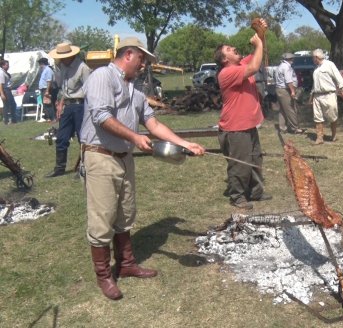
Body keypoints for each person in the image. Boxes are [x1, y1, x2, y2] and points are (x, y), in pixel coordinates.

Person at [80, 37, 205, 300]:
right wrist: (134, 138)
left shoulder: (135, 91)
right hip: (100, 156)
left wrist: (185, 143)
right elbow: (101, 116)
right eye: (142, 59)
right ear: (128, 54)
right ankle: (104, 276)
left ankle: (126, 265)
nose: (143, 65)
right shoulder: (102, 76)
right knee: (102, 218)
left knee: (125, 213)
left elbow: (153, 124)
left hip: (124, 157)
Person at [214, 18, 272, 210]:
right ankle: (237, 196)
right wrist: (258, 42)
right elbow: (255, 66)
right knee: (241, 163)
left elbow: (258, 55)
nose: (233, 48)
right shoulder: (226, 73)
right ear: (224, 59)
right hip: (235, 127)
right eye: (229, 49)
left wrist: (260, 32)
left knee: (256, 159)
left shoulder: (241, 65)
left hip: (249, 124)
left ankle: (256, 192)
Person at [45, 43, 91, 178]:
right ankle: (59, 168)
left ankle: (84, 168)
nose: (61, 59)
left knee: (83, 138)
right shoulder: (62, 68)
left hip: (80, 106)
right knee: (61, 137)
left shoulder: (83, 68)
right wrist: (60, 103)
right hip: (68, 106)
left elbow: (89, 90)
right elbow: (63, 89)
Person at [309, 49, 343, 144]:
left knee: (332, 116)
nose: (312, 59)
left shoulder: (329, 64)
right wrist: (311, 97)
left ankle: (333, 136)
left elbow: (338, 77)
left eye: (313, 57)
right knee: (317, 117)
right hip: (317, 96)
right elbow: (315, 84)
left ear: (316, 57)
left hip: (329, 95)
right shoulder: (316, 69)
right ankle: (319, 138)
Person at [275, 52, 304, 134]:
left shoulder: (281, 66)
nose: (293, 60)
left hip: (280, 89)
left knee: (283, 109)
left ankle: (283, 127)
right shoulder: (286, 67)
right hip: (284, 90)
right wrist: (292, 91)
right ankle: (295, 128)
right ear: (290, 59)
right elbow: (289, 81)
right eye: (292, 59)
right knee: (290, 109)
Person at [37, 57, 55, 122]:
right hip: (43, 89)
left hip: (46, 89)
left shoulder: (48, 70)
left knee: (48, 103)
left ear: (42, 63)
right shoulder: (44, 70)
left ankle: (53, 118)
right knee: (45, 104)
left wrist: (47, 90)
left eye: (40, 64)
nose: (39, 66)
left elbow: (49, 81)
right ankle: (49, 117)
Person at [0, 60, 18, 125]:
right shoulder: (1, 73)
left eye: (8, 65)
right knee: (8, 105)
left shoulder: (5, 72)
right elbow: (1, 84)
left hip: (8, 89)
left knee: (11, 105)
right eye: (6, 65)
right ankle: (8, 120)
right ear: (3, 65)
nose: (8, 66)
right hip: (5, 90)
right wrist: (2, 94)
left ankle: (11, 120)